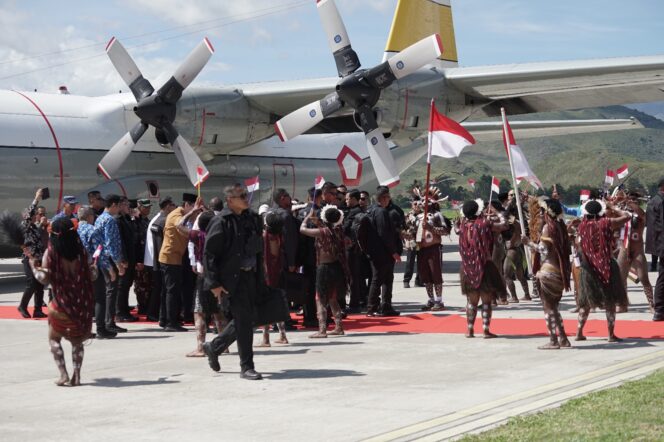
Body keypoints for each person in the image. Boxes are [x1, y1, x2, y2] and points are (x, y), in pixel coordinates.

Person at [202, 184, 265, 380]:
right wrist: (214, 283)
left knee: (248, 318)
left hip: (251, 275)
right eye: (241, 196)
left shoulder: (252, 219)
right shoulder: (221, 221)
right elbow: (209, 253)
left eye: (246, 195)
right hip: (232, 279)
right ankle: (246, 367)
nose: (246, 198)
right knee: (244, 321)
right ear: (230, 200)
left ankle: (214, 347)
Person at [30, 218, 95, 386]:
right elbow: (92, 276)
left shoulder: (51, 253)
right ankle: (77, 375)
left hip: (60, 305)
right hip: (81, 305)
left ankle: (63, 374)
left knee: (54, 340)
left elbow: (44, 279)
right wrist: (93, 269)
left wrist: (33, 267)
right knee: (77, 341)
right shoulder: (82, 252)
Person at [575, 199, 630, 341]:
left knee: (585, 302)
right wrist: (612, 206)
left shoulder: (581, 226)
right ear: (601, 211)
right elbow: (627, 216)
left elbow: (578, 245)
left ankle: (579, 332)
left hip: (588, 269)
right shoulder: (607, 223)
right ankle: (611, 335)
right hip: (607, 266)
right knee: (610, 301)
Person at [178, 202, 227, 357]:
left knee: (199, 312)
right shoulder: (221, 236)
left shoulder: (198, 236)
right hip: (219, 277)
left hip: (203, 277)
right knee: (218, 312)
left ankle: (200, 347)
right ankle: (223, 344)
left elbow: (180, 225)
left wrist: (192, 212)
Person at [522, 199, 572, 349]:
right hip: (560, 274)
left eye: (542, 212)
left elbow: (543, 250)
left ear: (547, 213)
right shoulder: (561, 227)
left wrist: (528, 243)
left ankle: (553, 340)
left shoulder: (547, 228)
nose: (541, 214)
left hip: (548, 273)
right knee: (554, 308)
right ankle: (563, 338)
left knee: (548, 308)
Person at [458, 199, 507, 338]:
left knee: (471, 302)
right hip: (484, 266)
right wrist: (498, 212)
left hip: (467, 268)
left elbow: (456, 229)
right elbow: (504, 225)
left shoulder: (462, 225)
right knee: (486, 300)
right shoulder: (484, 224)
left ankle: (469, 329)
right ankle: (485, 329)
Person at [300, 205, 348, 337]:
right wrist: (318, 222)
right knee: (332, 298)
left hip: (324, 268)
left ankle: (322, 329)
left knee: (320, 298)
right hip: (336, 267)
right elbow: (327, 226)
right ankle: (339, 326)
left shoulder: (322, 232)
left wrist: (307, 218)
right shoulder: (338, 230)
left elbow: (302, 229)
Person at [158, 193, 196, 332]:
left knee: (168, 290)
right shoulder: (176, 214)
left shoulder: (180, 213)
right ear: (187, 205)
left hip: (173, 257)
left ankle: (164, 319)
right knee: (172, 291)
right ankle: (171, 322)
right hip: (170, 257)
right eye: (192, 208)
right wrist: (194, 234)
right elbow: (181, 227)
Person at [93, 194, 127, 335]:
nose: (119, 209)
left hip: (100, 259)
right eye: (119, 206)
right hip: (109, 260)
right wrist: (118, 263)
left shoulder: (100, 218)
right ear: (113, 205)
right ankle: (109, 322)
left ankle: (107, 322)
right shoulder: (110, 220)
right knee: (111, 291)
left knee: (107, 291)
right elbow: (111, 244)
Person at [365, 187, 402, 317]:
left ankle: (386, 306)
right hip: (382, 253)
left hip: (377, 252)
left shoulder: (371, 210)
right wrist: (394, 252)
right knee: (378, 280)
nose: (389, 200)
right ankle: (372, 307)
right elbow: (384, 234)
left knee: (386, 279)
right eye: (387, 197)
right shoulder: (381, 212)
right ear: (383, 198)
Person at [615, 191, 653, 313]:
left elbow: (641, 213)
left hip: (637, 250)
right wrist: (614, 201)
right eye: (631, 200)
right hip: (624, 249)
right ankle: (622, 303)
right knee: (621, 278)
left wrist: (629, 202)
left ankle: (652, 304)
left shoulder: (641, 214)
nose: (632, 202)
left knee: (643, 277)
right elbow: (608, 211)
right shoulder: (623, 214)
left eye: (635, 200)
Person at [257, 211, 289, 346]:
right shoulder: (279, 236)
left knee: (265, 305)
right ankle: (282, 335)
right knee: (277, 303)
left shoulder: (265, 236)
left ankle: (266, 338)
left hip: (267, 274)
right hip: (278, 271)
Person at [416, 188, 450, 311]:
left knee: (436, 274)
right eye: (422, 200)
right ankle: (431, 299)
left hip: (434, 249)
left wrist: (430, 227)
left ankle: (439, 300)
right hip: (421, 249)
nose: (424, 202)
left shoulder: (437, 215)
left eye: (427, 200)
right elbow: (414, 232)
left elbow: (445, 231)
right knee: (425, 276)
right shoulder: (418, 216)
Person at [18, 189, 47, 318]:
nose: (36, 215)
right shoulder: (24, 225)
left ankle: (38, 309)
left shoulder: (34, 227)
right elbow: (30, 212)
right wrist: (36, 199)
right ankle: (22, 306)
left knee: (40, 284)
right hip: (29, 259)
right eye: (33, 214)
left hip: (38, 258)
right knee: (32, 283)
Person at [343, 189, 368, 312]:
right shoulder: (359, 211)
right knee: (355, 276)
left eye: (347, 199)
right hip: (356, 248)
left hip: (352, 248)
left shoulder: (354, 212)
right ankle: (356, 301)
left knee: (353, 276)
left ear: (353, 199)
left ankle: (354, 303)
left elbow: (345, 228)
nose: (346, 201)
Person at [645, 178, 664, 321]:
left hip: (656, 243)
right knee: (662, 277)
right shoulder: (661, 201)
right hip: (662, 242)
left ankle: (659, 310)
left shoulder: (652, 201)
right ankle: (659, 310)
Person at [133, 199, 152, 315]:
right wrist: (138, 260)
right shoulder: (136, 221)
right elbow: (135, 242)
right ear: (139, 207)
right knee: (140, 285)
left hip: (147, 257)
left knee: (147, 284)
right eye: (145, 207)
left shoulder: (147, 221)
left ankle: (146, 304)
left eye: (149, 207)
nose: (148, 209)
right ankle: (142, 305)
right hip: (140, 258)